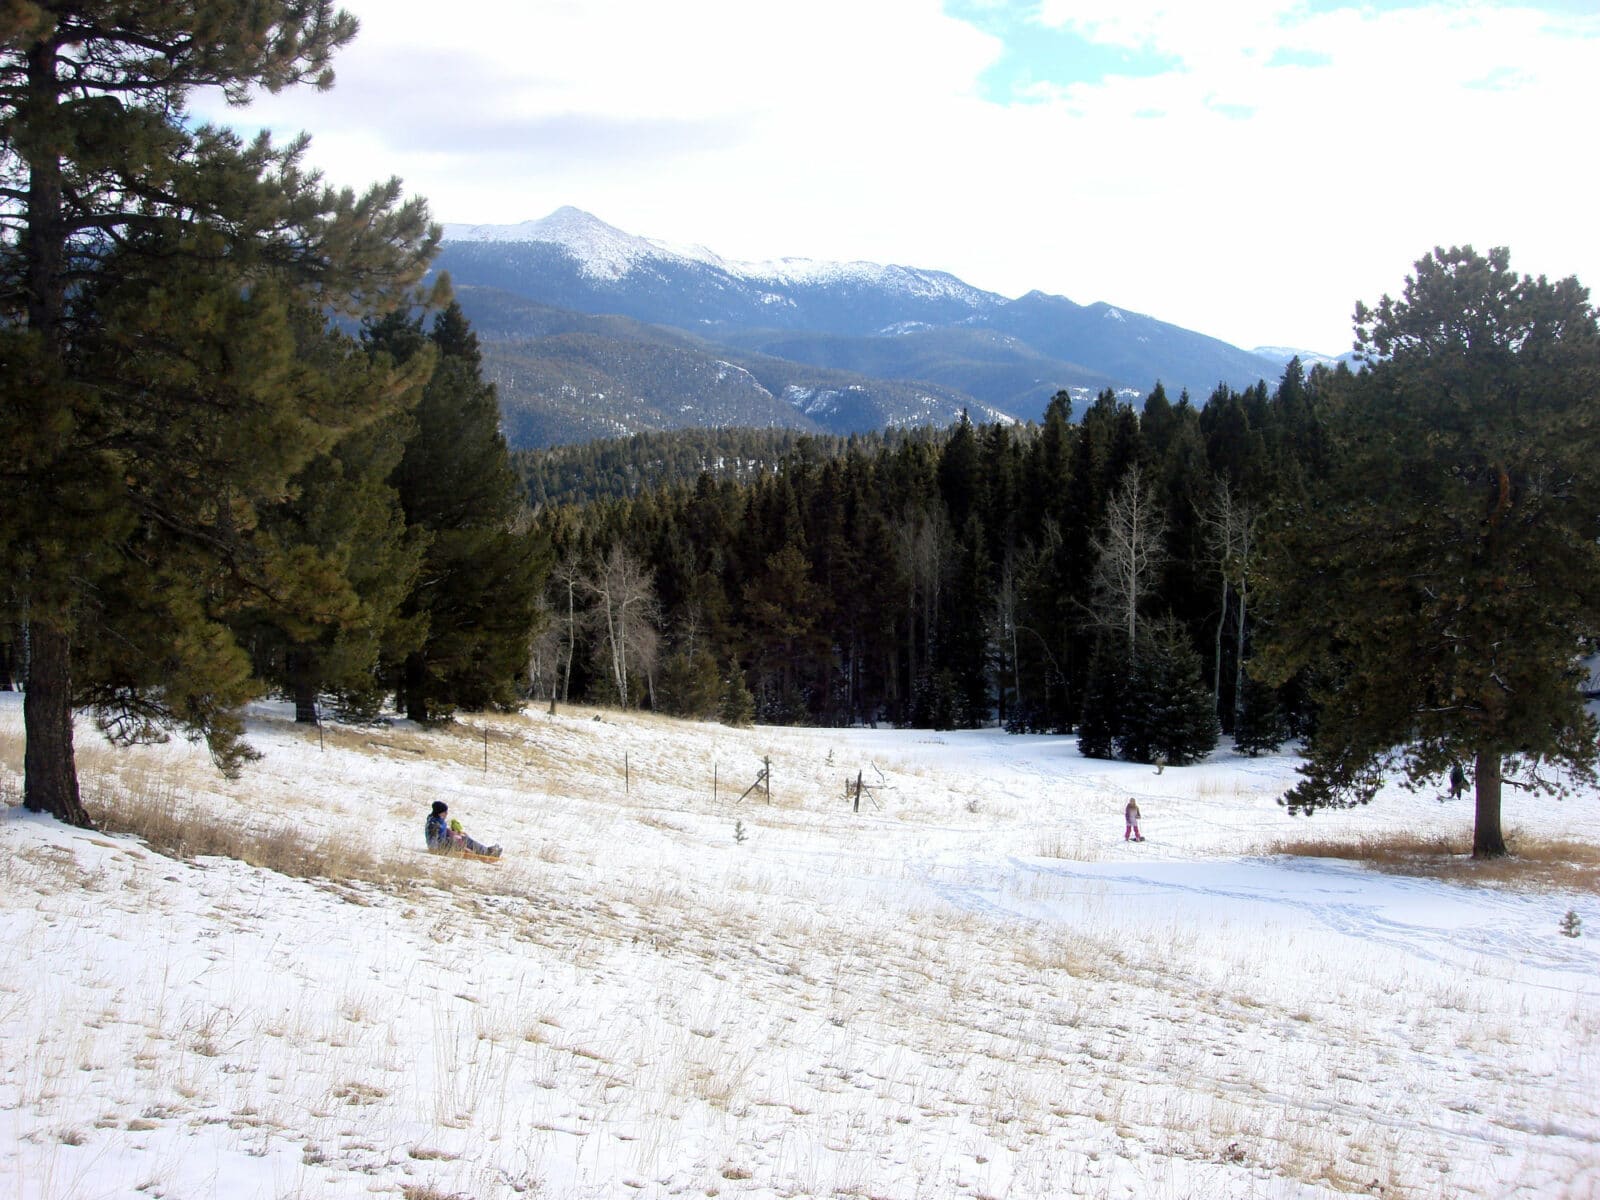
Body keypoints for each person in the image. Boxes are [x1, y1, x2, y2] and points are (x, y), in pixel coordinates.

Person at [425, 800, 501, 857]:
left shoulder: (438, 820)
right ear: (440, 813)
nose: (447, 814)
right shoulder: (434, 824)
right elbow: (433, 842)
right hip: (443, 846)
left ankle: (486, 851)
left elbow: (442, 832)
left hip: (446, 842)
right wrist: (438, 851)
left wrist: (453, 832)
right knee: (462, 840)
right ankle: (487, 853)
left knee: (463, 837)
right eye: (445, 812)